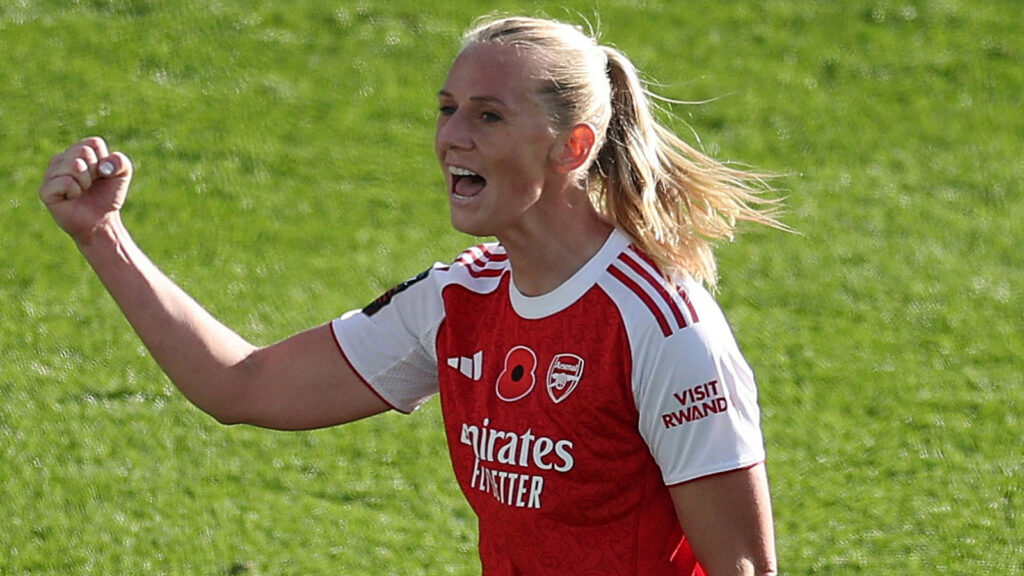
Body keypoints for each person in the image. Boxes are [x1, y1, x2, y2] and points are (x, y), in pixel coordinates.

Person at [39, 15, 785, 576]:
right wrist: (103, 237)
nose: (452, 137)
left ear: (573, 146)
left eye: (488, 115)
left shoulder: (660, 325)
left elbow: (743, 567)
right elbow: (244, 384)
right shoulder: (460, 299)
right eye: (446, 108)